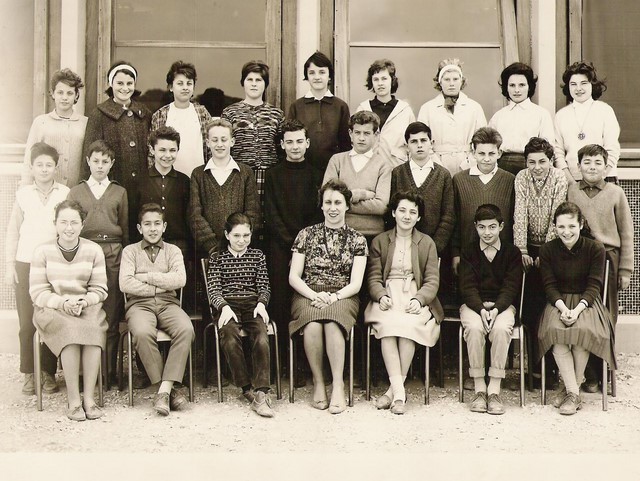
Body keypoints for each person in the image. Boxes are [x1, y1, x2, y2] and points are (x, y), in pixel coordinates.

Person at [288, 179, 368, 414]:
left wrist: (333, 297)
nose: (333, 208)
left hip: (343, 295)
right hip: (308, 293)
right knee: (312, 325)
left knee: (333, 324)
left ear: (347, 206)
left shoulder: (358, 239)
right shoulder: (305, 234)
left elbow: (356, 283)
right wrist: (315, 294)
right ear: (321, 206)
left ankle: (338, 384)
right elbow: (294, 277)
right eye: (328, 202)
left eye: (338, 203)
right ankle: (319, 383)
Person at [364, 191, 443, 414]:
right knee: (388, 327)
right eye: (402, 210)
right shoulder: (380, 241)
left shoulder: (426, 243)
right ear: (393, 213)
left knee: (408, 327)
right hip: (388, 294)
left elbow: (432, 280)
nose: (407, 216)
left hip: (415, 294)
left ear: (419, 217)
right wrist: (381, 295)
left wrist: (420, 299)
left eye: (412, 212)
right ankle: (400, 393)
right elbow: (373, 277)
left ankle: (393, 393)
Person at [29, 200, 108, 421]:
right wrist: (62, 303)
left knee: (93, 329)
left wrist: (83, 301)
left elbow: (100, 289)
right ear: (55, 223)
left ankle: (89, 399)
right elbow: (37, 291)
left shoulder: (93, 250)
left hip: (85, 306)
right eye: (63, 222)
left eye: (74, 222)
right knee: (69, 331)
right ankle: (74, 401)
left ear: (83, 224)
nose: (69, 228)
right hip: (51, 308)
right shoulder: (42, 251)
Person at [537, 202, 616, 415]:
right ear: (555, 227)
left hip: (586, 302)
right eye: (561, 227)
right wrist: (563, 309)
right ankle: (574, 392)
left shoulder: (595, 248)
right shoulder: (547, 250)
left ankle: (570, 392)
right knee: (556, 332)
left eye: (572, 226)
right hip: (558, 302)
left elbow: (594, 285)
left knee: (583, 331)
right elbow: (549, 286)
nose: (567, 232)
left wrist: (578, 309)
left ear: (581, 225)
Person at [5, 142, 70, 396]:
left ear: (56, 168)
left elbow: (68, 229)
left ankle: (48, 372)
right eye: (39, 165)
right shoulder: (23, 194)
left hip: (53, 264)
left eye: (48, 165)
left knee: (50, 319)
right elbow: (12, 232)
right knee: (27, 323)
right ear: (31, 168)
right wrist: (9, 265)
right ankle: (29, 373)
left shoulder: (64, 193)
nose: (44, 169)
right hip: (25, 264)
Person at [568, 144, 633, 392]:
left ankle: (604, 370)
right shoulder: (571, 190)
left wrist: (625, 269)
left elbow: (626, 233)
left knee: (605, 315)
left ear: (607, 167)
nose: (592, 167)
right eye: (587, 162)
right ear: (578, 166)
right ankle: (587, 373)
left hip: (608, 259)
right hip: (579, 258)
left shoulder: (616, 193)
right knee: (583, 312)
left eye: (598, 163)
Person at [119, 203, 195, 416]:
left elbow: (179, 279)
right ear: (139, 227)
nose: (152, 229)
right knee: (143, 332)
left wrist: (145, 277)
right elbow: (125, 283)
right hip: (138, 305)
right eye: (147, 224)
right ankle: (169, 391)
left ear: (164, 226)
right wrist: (160, 284)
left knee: (186, 329)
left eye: (157, 224)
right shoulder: (130, 252)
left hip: (168, 303)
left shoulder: (173, 251)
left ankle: (163, 390)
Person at [264, 119, 323, 383]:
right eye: (289, 142)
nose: (295, 146)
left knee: (306, 303)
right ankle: (280, 365)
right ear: (282, 145)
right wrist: (290, 244)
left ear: (307, 143)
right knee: (280, 304)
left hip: (309, 249)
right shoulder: (273, 175)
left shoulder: (316, 174)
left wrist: (303, 246)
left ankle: (303, 365)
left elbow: (317, 213)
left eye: (299, 141)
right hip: (280, 247)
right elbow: (271, 213)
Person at [67, 140, 128, 386]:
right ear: (88, 162)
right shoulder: (76, 191)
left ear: (112, 164)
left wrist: (123, 255)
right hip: (85, 252)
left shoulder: (119, 192)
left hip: (113, 251)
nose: (100, 166)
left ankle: (108, 372)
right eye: (96, 161)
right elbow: (71, 227)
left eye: (105, 162)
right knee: (86, 309)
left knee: (110, 311)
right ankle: (85, 374)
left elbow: (124, 228)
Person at [206, 213, 274, 417]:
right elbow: (213, 289)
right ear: (227, 235)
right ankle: (246, 388)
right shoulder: (217, 257)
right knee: (229, 337)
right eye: (236, 235)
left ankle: (261, 392)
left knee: (261, 337)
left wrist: (262, 303)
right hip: (228, 305)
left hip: (252, 305)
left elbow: (264, 286)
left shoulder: (257, 256)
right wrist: (223, 307)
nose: (241, 240)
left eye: (246, 235)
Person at [513, 137, 568, 387]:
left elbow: (558, 215)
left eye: (542, 161)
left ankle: (552, 372)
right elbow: (520, 213)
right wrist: (522, 249)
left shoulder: (559, 178)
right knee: (530, 311)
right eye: (531, 162)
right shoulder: (521, 178)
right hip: (527, 251)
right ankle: (534, 373)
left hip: (552, 250)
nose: (537, 167)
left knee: (550, 309)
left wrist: (544, 253)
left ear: (551, 160)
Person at [459, 204, 523, 415]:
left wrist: (496, 309)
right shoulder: (468, 252)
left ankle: (494, 389)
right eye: (482, 227)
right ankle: (479, 388)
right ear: (475, 226)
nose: (487, 232)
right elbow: (467, 287)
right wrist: (480, 309)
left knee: (501, 329)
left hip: (502, 306)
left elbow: (511, 287)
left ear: (501, 226)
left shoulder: (512, 253)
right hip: (474, 305)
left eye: (492, 227)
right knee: (474, 328)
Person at [82, 61, 151, 237]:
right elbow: (89, 155)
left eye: (129, 83)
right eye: (120, 83)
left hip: (142, 187)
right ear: (111, 84)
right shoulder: (99, 114)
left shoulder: (144, 113)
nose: (125, 88)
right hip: (112, 186)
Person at [189, 118, 261, 258]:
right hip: (208, 252)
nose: (219, 144)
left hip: (240, 249)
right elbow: (194, 215)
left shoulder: (245, 172)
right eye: (214, 140)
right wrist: (212, 246)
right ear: (207, 142)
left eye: (224, 139)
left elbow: (253, 212)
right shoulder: (198, 174)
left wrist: (237, 242)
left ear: (232, 141)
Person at [452, 127, 515, 276]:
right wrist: (455, 253)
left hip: (501, 256)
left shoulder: (510, 180)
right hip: (468, 255)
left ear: (499, 153)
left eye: (491, 153)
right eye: (481, 153)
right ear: (473, 152)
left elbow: (514, 220)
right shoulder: (459, 180)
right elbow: (455, 219)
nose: (486, 159)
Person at [221, 60, 284, 205]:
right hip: (239, 176)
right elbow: (224, 147)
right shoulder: (230, 113)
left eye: (258, 80)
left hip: (269, 177)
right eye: (249, 79)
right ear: (243, 82)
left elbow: (281, 149)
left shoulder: (276, 114)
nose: (254, 84)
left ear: (265, 84)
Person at [323, 111, 391, 240]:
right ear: (350, 134)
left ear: (376, 135)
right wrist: (362, 194)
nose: (361, 138)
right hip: (339, 231)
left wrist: (343, 201)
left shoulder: (383, 165)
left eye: (367, 133)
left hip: (372, 234)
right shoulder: (337, 160)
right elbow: (328, 198)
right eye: (357, 132)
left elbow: (381, 206)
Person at [390, 121, 454, 256]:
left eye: (423, 140)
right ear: (407, 146)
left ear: (431, 143)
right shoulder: (397, 173)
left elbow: (448, 216)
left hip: (435, 249)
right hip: (402, 248)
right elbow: (392, 212)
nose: (419, 145)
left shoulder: (443, 175)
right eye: (414, 141)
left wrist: (434, 248)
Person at [418, 58, 487, 176]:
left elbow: (483, 141)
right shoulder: (427, 108)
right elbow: (421, 140)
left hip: (468, 164)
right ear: (439, 82)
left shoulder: (474, 107)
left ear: (461, 81)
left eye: (455, 79)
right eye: (446, 79)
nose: (451, 83)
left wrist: (469, 163)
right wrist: (436, 165)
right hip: (436, 165)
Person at [554, 61, 620, 184]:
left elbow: (612, 149)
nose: (578, 88)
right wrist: (572, 183)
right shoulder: (561, 116)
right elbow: (558, 153)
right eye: (573, 84)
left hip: (604, 178)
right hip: (572, 179)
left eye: (583, 83)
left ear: (592, 85)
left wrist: (600, 177)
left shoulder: (605, 110)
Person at [21, 69, 88, 187]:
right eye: (60, 92)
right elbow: (28, 160)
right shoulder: (41, 122)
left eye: (69, 93)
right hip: (46, 191)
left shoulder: (85, 123)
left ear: (76, 95)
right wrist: (25, 189)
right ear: (53, 93)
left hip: (76, 191)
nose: (64, 97)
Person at [288, 51, 351, 171]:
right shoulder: (296, 106)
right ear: (307, 77)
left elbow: (345, 144)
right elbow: (290, 140)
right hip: (302, 170)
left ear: (329, 76)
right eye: (312, 73)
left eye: (322, 72)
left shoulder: (341, 106)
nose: (317, 77)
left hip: (333, 170)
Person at [489, 62, 554, 175]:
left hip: (531, 165)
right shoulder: (498, 116)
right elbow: (489, 146)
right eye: (512, 85)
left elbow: (548, 148)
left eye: (522, 85)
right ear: (506, 87)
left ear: (529, 86)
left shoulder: (541, 114)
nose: (517, 90)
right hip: (502, 166)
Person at [150, 60, 212, 176]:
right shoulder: (160, 115)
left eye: (189, 83)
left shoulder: (202, 113)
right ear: (171, 87)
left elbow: (210, 148)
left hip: (198, 178)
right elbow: (152, 151)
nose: (185, 87)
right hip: (169, 179)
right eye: (180, 83)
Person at [356, 59, 415, 167]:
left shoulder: (404, 110)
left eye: (384, 78)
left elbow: (412, 144)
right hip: (368, 168)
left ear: (392, 80)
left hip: (397, 169)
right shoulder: (363, 109)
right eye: (376, 79)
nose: (380, 83)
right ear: (371, 82)